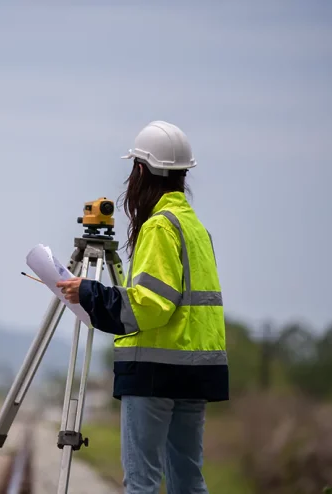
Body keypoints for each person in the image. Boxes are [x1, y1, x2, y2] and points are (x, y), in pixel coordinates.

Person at [57, 121, 228, 494]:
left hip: (155, 374)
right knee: (187, 480)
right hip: (195, 372)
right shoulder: (194, 227)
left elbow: (151, 306)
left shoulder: (159, 227)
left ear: (139, 170)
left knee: (142, 483)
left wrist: (90, 293)